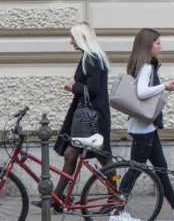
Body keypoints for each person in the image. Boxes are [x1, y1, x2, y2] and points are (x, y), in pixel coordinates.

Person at [118, 29, 174, 221]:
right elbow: (141, 93)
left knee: (161, 167)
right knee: (135, 170)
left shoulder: (141, 65)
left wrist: (164, 85)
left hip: (146, 127)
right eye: (157, 43)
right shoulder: (147, 66)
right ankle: (116, 210)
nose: (160, 46)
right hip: (143, 129)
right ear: (148, 45)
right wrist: (164, 86)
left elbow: (143, 91)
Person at [50, 23, 113, 210]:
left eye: (73, 37)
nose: (70, 41)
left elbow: (92, 89)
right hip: (90, 117)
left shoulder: (92, 58)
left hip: (93, 119)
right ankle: (57, 199)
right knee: (71, 155)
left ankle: (115, 197)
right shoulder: (90, 56)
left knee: (105, 160)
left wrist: (73, 87)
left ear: (82, 38)